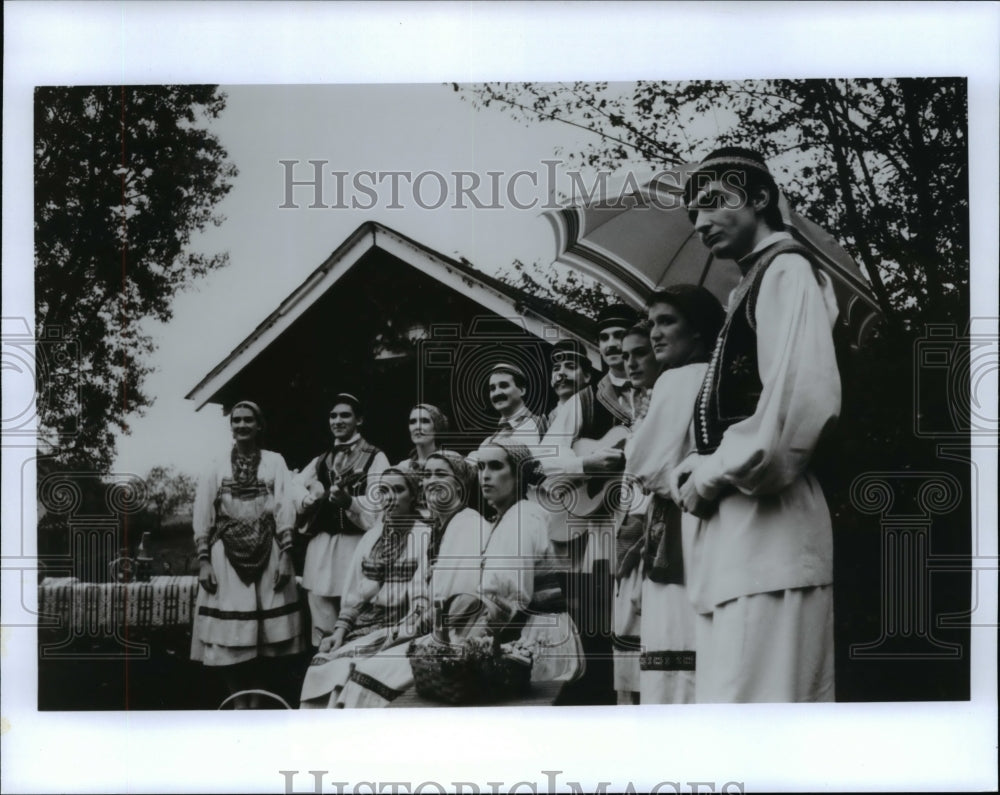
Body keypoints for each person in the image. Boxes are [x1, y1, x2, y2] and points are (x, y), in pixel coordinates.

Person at [672, 147, 841, 703]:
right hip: (739, 538)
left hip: (771, 529)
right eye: (693, 211)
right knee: (734, 710)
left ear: (761, 199)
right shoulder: (748, 286)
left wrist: (709, 473)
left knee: (759, 714)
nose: (700, 222)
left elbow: (799, 404)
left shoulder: (787, 270)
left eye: (714, 203)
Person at [625, 286, 725, 704]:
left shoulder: (680, 378)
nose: (654, 334)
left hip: (676, 521)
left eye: (667, 322)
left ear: (699, 330)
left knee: (672, 641)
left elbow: (643, 462)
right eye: (652, 323)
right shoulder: (717, 376)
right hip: (710, 522)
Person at [331, 450, 484, 708]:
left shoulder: (466, 525)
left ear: (460, 482)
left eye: (441, 474)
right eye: (427, 474)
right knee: (333, 664)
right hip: (415, 628)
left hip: (448, 638)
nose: (432, 480)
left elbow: (454, 603)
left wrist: (398, 634)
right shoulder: (436, 529)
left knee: (359, 674)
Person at [190, 400, 305, 708]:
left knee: (266, 635)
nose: (241, 425)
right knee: (230, 636)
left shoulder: (274, 462)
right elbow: (203, 514)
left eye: (248, 420)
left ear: (258, 425)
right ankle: (238, 700)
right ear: (231, 426)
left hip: (269, 550)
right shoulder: (216, 464)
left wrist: (286, 555)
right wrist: (204, 562)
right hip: (225, 556)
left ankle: (256, 699)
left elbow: (285, 507)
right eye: (236, 420)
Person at [298, 467, 434, 708]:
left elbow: (421, 601)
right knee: (321, 664)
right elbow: (354, 595)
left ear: (413, 495)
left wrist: (398, 634)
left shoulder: (424, 535)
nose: (390, 497)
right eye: (384, 490)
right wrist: (339, 632)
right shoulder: (371, 537)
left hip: (402, 628)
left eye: (399, 490)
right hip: (365, 625)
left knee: (349, 671)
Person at [534, 338, 622, 705]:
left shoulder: (595, 402)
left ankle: (604, 684)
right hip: (572, 518)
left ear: (589, 373)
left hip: (609, 520)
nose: (561, 374)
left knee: (604, 603)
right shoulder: (560, 412)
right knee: (580, 605)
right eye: (556, 367)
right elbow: (545, 460)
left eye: (570, 366)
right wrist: (585, 466)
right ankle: (590, 682)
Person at [293, 394, 389, 647]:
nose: (338, 420)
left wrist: (351, 503)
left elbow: (381, 503)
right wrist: (309, 496)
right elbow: (293, 487)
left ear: (359, 420)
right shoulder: (322, 460)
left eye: (345, 415)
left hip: (356, 544)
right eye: (333, 416)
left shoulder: (375, 457)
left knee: (355, 612)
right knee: (321, 614)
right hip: (322, 547)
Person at [609, 321, 659, 704]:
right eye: (625, 356)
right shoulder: (640, 407)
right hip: (630, 529)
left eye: (640, 352)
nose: (630, 362)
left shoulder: (666, 403)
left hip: (655, 535)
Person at [396, 403, 450, 516]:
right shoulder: (403, 467)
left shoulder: (449, 463)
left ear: (436, 427)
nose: (417, 427)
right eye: (413, 422)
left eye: (424, 421)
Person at [593, 303, 641, 427]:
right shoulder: (585, 399)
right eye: (604, 338)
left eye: (619, 335)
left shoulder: (660, 385)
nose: (611, 344)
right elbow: (550, 445)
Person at [481, 362, 545, 446]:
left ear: (522, 390)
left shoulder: (530, 425)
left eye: (504, 386)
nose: (497, 393)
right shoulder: (496, 435)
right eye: (492, 388)